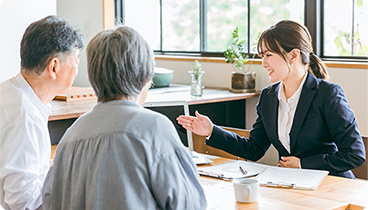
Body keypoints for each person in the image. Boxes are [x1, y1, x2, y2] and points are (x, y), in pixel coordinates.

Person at [41, 26, 207, 210]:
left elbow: (49, 202)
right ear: (146, 77)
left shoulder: (70, 136)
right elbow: (191, 205)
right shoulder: (155, 129)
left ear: (93, 78)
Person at [177, 20, 366, 179]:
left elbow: (354, 154)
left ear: (293, 55)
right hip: (290, 184)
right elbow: (253, 149)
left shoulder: (328, 94)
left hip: (331, 184)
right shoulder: (268, 97)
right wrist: (211, 130)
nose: (264, 63)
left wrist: (302, 164)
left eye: (268, 55)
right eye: (262, 56)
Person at [0, 15, 83, 210]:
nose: (78, 68)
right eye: (76, 60)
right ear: (54, 66)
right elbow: (24, 203)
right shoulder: (25, 117)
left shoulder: (8, 92)